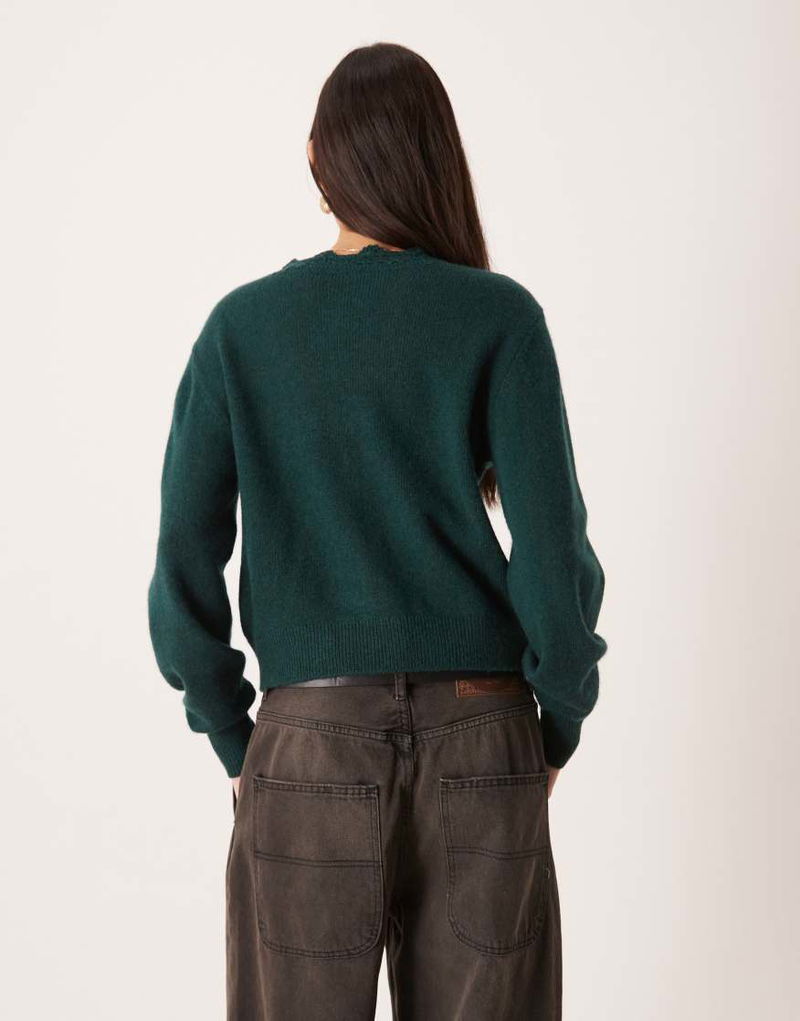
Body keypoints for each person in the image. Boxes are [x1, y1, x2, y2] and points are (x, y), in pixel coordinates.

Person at [148, 41, 607, 1021]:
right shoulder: (499, 318)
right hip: (482, 738)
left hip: (306, 745)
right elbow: (554, 560)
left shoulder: (242, 330)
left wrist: (240, 743)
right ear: (439, 158)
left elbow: (180, 573)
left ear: (318, 160)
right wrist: (553, 728)